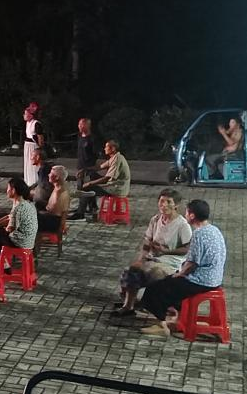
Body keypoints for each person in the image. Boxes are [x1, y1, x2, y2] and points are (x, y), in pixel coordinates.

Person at [137, 199, 225, 337]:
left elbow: (193, 263)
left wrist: (180, 274)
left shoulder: (198, 234)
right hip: (215, 279)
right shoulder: (214, 230)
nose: (185, 214)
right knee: (170, 284)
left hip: (200, 281)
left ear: (192, 215)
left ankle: (161, 325)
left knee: (154, 289)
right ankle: (179, 319)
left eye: (187, 212)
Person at [113, 188, 191, 317]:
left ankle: (160, 307)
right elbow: (147, 242)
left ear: (176, 205)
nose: (164, 205)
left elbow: (187, 248)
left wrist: (167, 251)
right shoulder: (155, 219)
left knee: (155, 273)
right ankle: (128, 305)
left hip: (171, 263)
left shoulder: (182, 225)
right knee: (131, 270)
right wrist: (141, 259)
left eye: (168, 202)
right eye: (161, 201)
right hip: (153, 259)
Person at [71, 139, 131, 220]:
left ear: (113, 148)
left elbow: (106, 179)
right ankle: (91, 208)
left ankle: (80, 213)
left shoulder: (117, 159)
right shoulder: (114, 157)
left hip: (117, 189)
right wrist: (84, 170)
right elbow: (99, 167)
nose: (104, 148)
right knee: (91, 175)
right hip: (113, 184)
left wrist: (90, 183)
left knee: (87, 187)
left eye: (106, 147)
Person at [0, 177, 38, 255]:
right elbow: (9, 217)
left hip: (21, 242)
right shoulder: (28, 203)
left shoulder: (18, 207)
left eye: (8, 188)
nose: (7, 191)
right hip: (29, 241)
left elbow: (10, 228)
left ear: (13, 190)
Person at [37, 165, 72, 234]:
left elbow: (63, 212)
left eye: (51, 173)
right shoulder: (57, 188)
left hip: (52, 221)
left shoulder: (60, 192)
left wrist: (62, 226)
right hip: (51, 218)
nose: (48, 175)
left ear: (57, 177)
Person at [211, 114, 244, 179]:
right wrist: (221, 129)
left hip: (233, 154)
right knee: (211, 158)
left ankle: (213, 174)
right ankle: (214, 174)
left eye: (232, 122)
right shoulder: (233, 130)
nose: (230, 124)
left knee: (211, 159)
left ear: (238, 124)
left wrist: (223, 133)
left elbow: (231, 142)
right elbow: (227, 132)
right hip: (226, 152)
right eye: (230, 122)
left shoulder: (239, 132)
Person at [22, 102, 46, 188]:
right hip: (27, 146)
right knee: (28, 164)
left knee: (34, 165)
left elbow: (40, 138)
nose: (24, 115)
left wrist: (40, 149)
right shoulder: (28, 123)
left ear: (31, 115)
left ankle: (35, 182)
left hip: (33, 147)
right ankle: (28, 182)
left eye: (25, 114)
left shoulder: (36, 124)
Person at [74, 118, 98, 191]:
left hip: (89, 168)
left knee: (89, 188)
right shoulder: (80, 136)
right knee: (80, 188)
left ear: (87, 125)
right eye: (79, 124)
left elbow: (95, 155)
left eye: (81, 124)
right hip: (80, 166)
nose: (79, 126)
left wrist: (88, 168)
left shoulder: (92, 138)